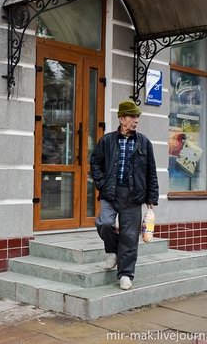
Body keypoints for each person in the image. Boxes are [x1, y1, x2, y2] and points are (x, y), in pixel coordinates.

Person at [90, 100, 159, 290]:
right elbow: (95, 162)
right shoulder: (107, 140)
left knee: (129, 236)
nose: (135, 120)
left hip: (134, 195)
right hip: (110, 192)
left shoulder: (144, 142)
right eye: (132, 117)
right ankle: (113, 251)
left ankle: (126, 274)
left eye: (137, 117)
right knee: (104, 223)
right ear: (121, 118)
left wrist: (151, 199)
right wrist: (102, 183)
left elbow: (151, 171)